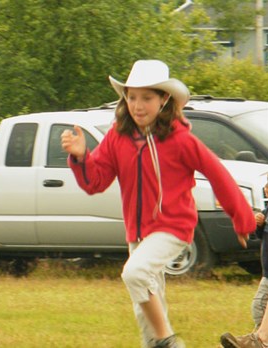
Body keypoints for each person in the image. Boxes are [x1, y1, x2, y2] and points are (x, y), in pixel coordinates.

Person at [61, 59, 256, 348]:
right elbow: (96, 182)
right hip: (137, 233)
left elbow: (218, 174)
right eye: (132, 97)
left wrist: (242, 219)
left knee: (135, 273)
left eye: (147, 98)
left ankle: (169, 340)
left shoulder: (181, 140)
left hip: (173, 227)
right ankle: (157, 340)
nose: (138, 105)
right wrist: (80, 157)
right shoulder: (117, 136)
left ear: (164, 99)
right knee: (145, 313)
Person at [221, 175, 268, 348]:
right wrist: (260, 224)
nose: (266, 188)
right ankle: (259, 339)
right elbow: (260, 236)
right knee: (259, 307)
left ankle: (259, 341)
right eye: (266, 184)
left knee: (261, 306)